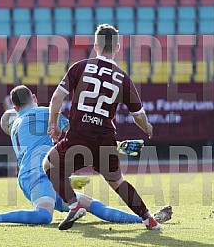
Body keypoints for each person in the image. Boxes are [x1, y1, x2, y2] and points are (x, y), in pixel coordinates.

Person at [0, 85, 172, 227]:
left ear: (15, 107)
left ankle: (147, 218)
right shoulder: (45, 113)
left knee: (91, 205)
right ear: (34, 98)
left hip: (31, 177)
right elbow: (81, 137)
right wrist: (116, 145)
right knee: (44, 216)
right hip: (39, 173)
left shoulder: (15, 123)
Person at [44, 24, 164, 230]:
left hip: (78, 136)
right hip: (105, 140)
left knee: (50, 165)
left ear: (95, 46)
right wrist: (148, 128)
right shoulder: (122, 78)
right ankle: (148, 219)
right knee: (118, 182)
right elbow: (138, 116)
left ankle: (74, 205)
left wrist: (53, 124)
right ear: (117, 47)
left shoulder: (79, 67)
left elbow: (57, 97)